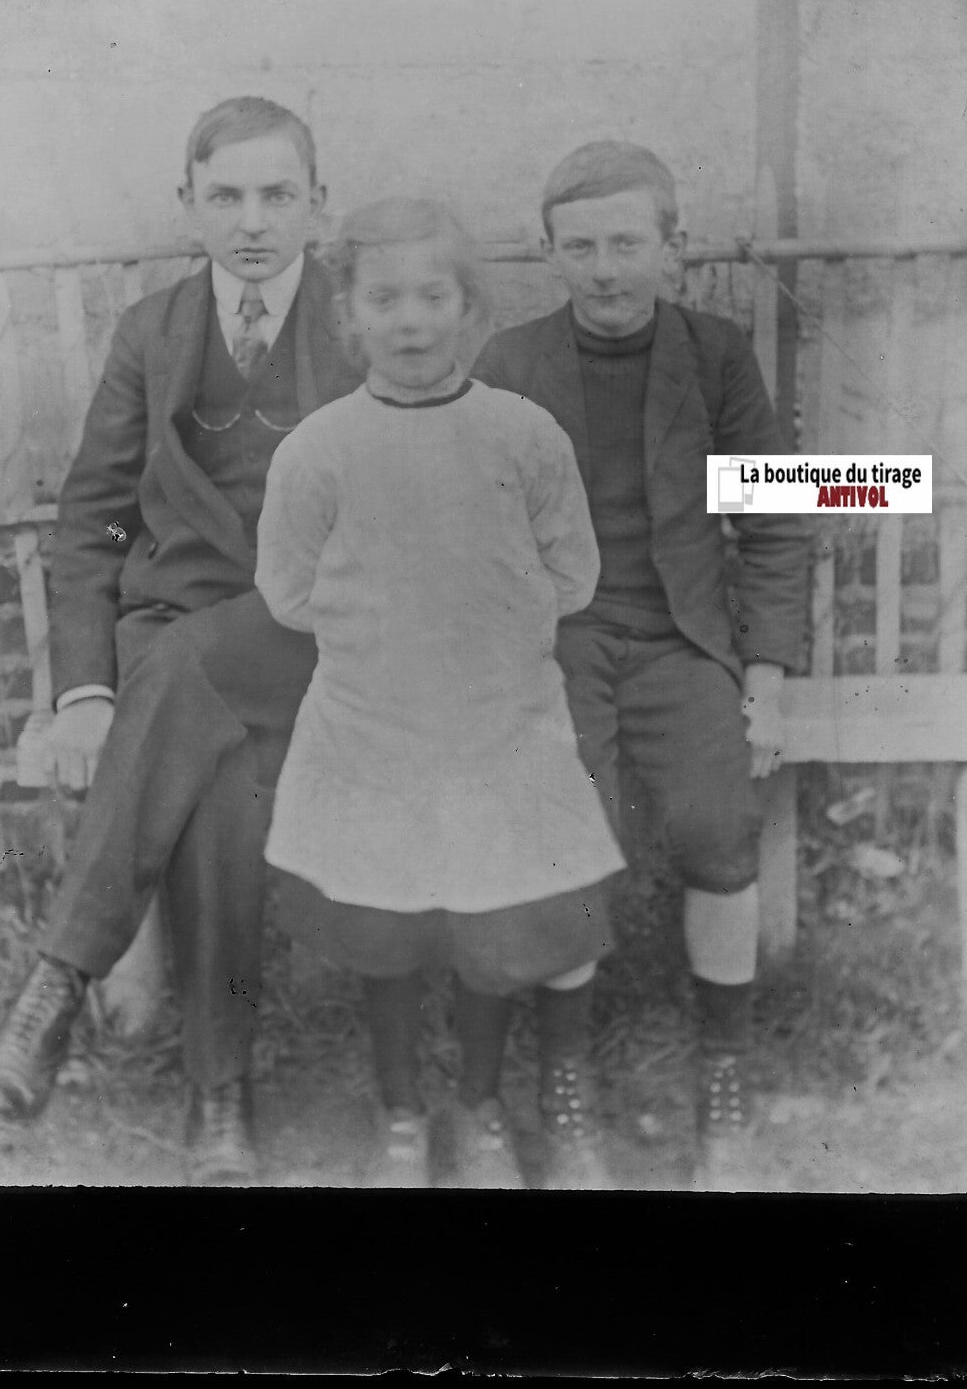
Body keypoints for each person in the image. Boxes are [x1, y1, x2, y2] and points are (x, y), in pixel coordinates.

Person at [0, 97, 364, 1184]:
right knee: (212, 784)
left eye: (278, 194)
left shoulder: (360, 316)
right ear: (187, 208)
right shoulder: (153, 332)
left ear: (318, 205)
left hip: (313, 637)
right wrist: (84, 688)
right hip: (183, 638)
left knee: (183, 680)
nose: (253, 220)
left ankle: (49, 1001)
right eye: (225, 196)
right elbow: (93, 519)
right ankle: (216, 1102)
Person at [254, 199, 627, 1190]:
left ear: (468, 310)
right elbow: (287, 592)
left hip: (499, 728)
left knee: (493, 923)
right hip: (370, 730)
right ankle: (401, 1116)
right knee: (387, 929)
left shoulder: (521, 433)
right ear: (351, 317)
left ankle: (483, 1107)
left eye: (433, 296)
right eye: (386, 299)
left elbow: (573, 575)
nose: (411, 320)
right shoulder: (318, 450)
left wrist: (483, 633)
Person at [471, 142, 810, 1188]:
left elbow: (780, 513)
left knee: (717, 828)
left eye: (627, 243)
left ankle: (722, 1080)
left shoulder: (714, 356)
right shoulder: (511, 362)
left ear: (673, 248)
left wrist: (765, 673)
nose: (605, 269)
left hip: (681, 638)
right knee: (571, 841)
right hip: (559, 643)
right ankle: (563, 1092)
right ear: (549, 254)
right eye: (580, 248)